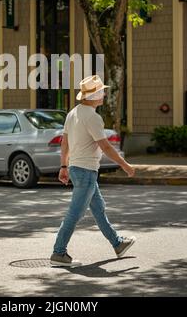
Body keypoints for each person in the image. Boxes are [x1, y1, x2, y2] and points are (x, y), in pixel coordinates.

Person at [50, 75, 136, 267]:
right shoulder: (93, 117)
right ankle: (58, 252)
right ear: (95, 95)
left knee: (98, 208)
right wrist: (125, 165)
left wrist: (64, 166)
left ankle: (118, 243)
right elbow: (105, 147)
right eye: (101, 91)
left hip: (77, 169)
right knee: (75, 213)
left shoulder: (73, 113)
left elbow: (65, 142)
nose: (104, 94)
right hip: (86, 172)